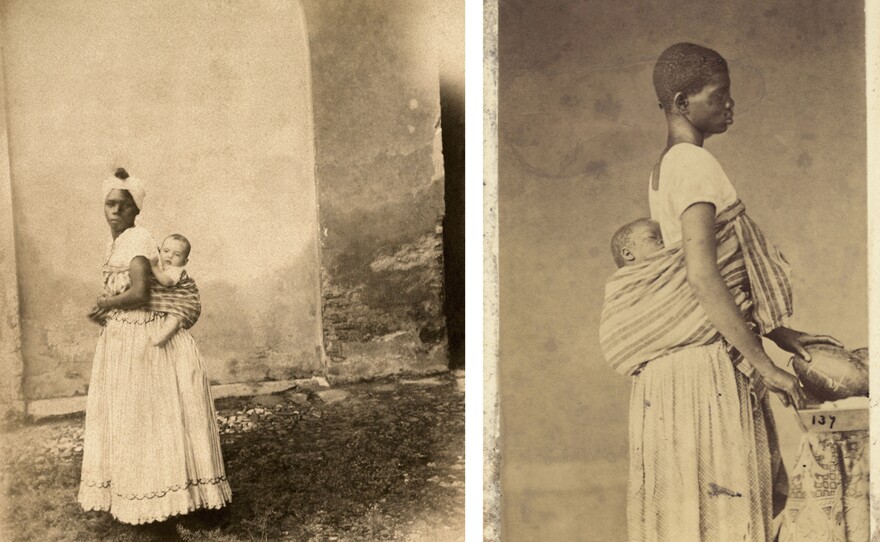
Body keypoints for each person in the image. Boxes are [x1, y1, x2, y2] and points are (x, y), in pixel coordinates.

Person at [599, 43, 841, 541]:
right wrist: (763, 364)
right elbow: (703, 276)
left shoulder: (665, 168)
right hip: (704, 368)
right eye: (720, 95)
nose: (731, 104)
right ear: (683, 102)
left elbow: (721, 273)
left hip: (679, 374)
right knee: (725, 520)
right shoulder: (693, 164)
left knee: (695, 518)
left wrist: (779, 333)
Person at [78, 168, 231, 526]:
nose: (114, 211)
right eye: (109, 204)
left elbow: (141, 293)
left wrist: (105, 305)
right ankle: (139, 495)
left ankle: (170, 502)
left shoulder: (137, 239)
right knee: (133, 418)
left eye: (123, 205)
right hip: (121, 337)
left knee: (149, 417)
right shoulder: (114, 244)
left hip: (142, 336)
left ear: (135, 211)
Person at [150, 233, 195, 347]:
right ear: (159, 251)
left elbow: (167, 282)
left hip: (180, 302)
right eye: (166, 251)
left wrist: (154, 268)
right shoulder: (161, 267)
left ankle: (163, 336)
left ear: (184, 262)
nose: (169, 256)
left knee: (175, 316)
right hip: (168, 302)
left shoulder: (175, 270)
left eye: (176, 255)